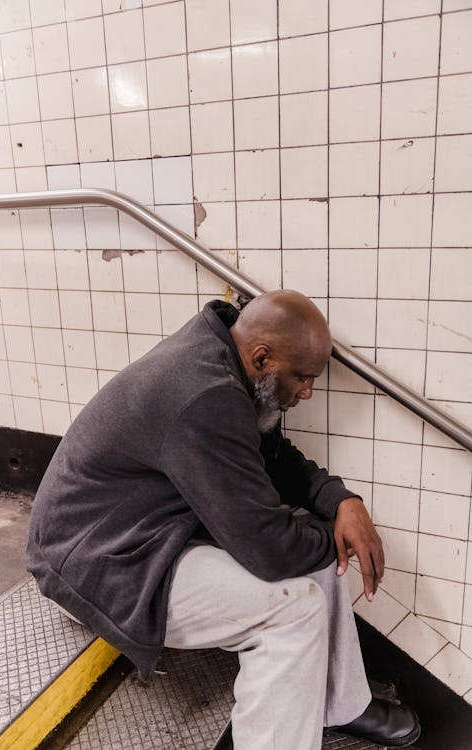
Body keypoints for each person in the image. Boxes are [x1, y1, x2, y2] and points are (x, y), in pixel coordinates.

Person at [26, 290, 420, 749]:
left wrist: (340, 503)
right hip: (97, 559)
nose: (309, 391)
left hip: (147, 527)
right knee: (295, 607)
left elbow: (272, 456)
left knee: (309, 548)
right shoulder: (205, 394)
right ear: (262, 356)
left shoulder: (227, 353)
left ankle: (341, 702)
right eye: (304, 378)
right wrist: (336, 535)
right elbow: (270, 551)